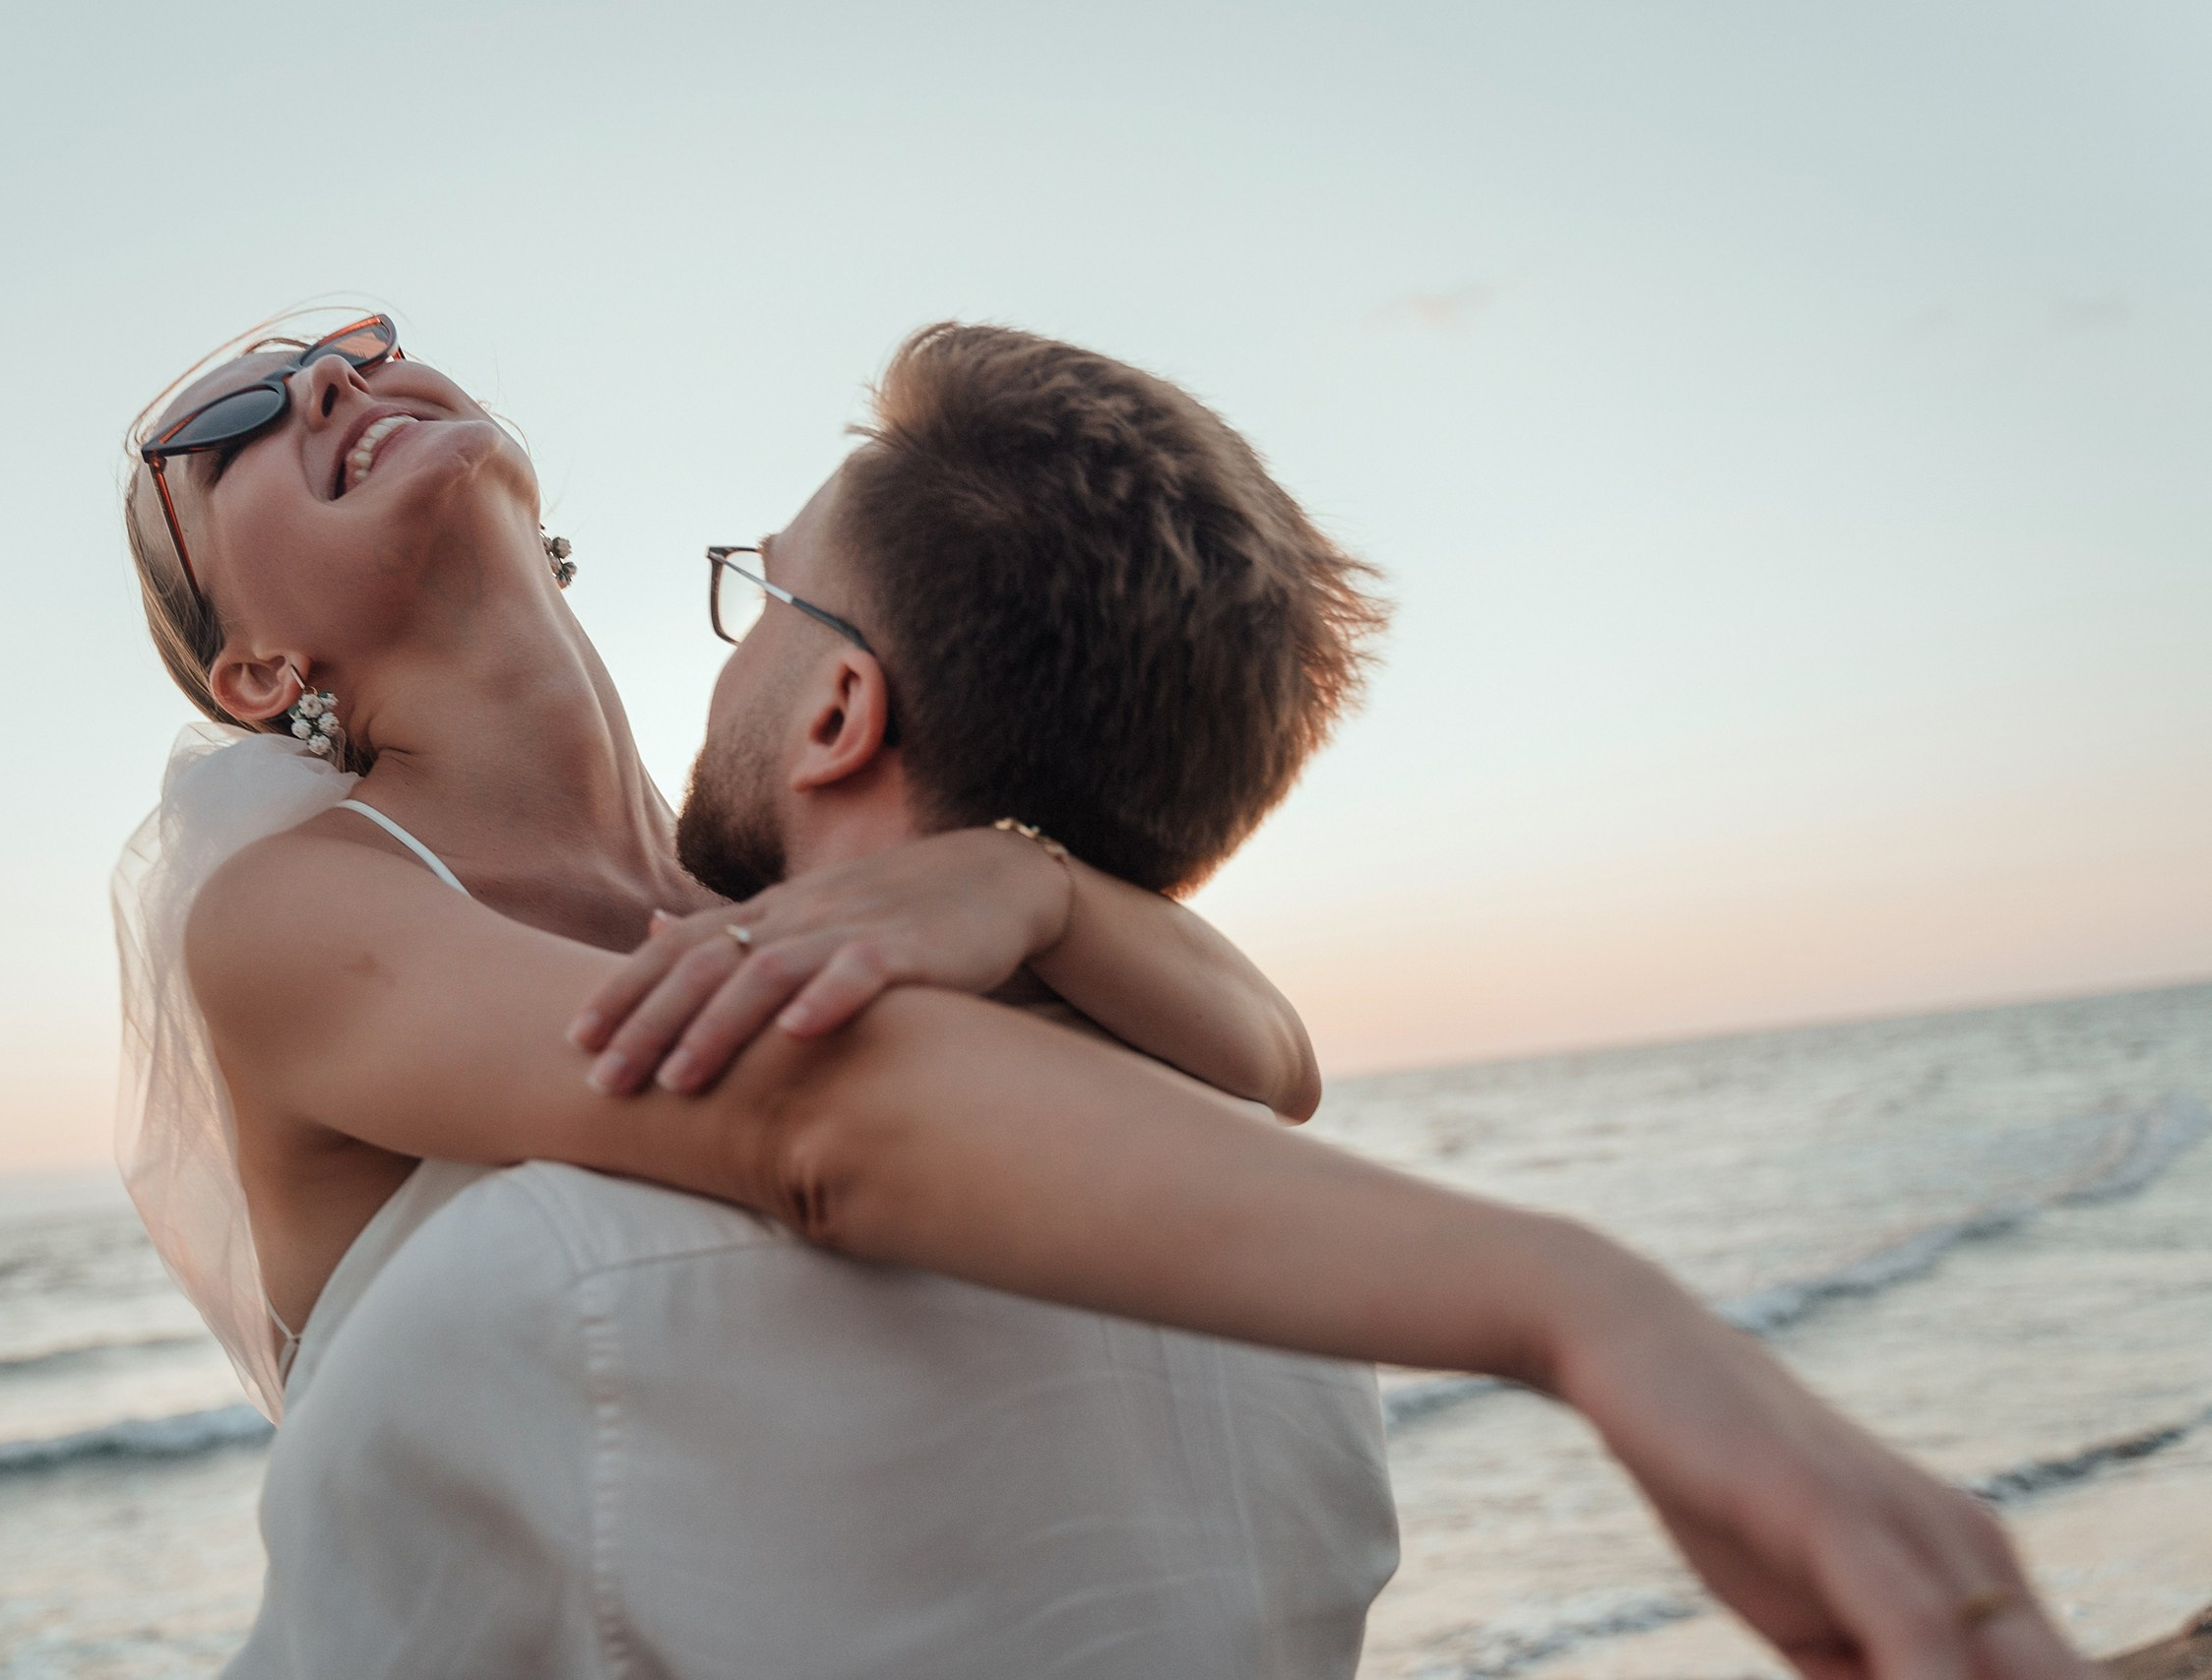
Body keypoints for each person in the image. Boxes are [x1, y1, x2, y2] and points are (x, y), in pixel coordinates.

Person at [117, 313, 2084, 1680]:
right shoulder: (303, 914)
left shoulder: (747, 869)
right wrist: (1583, 1306)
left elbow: (1264, 1050)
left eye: (359, 346)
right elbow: (809, 1112)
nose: (340, 373)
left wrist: (1029, 885)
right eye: (241, 412)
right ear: (243, 670)